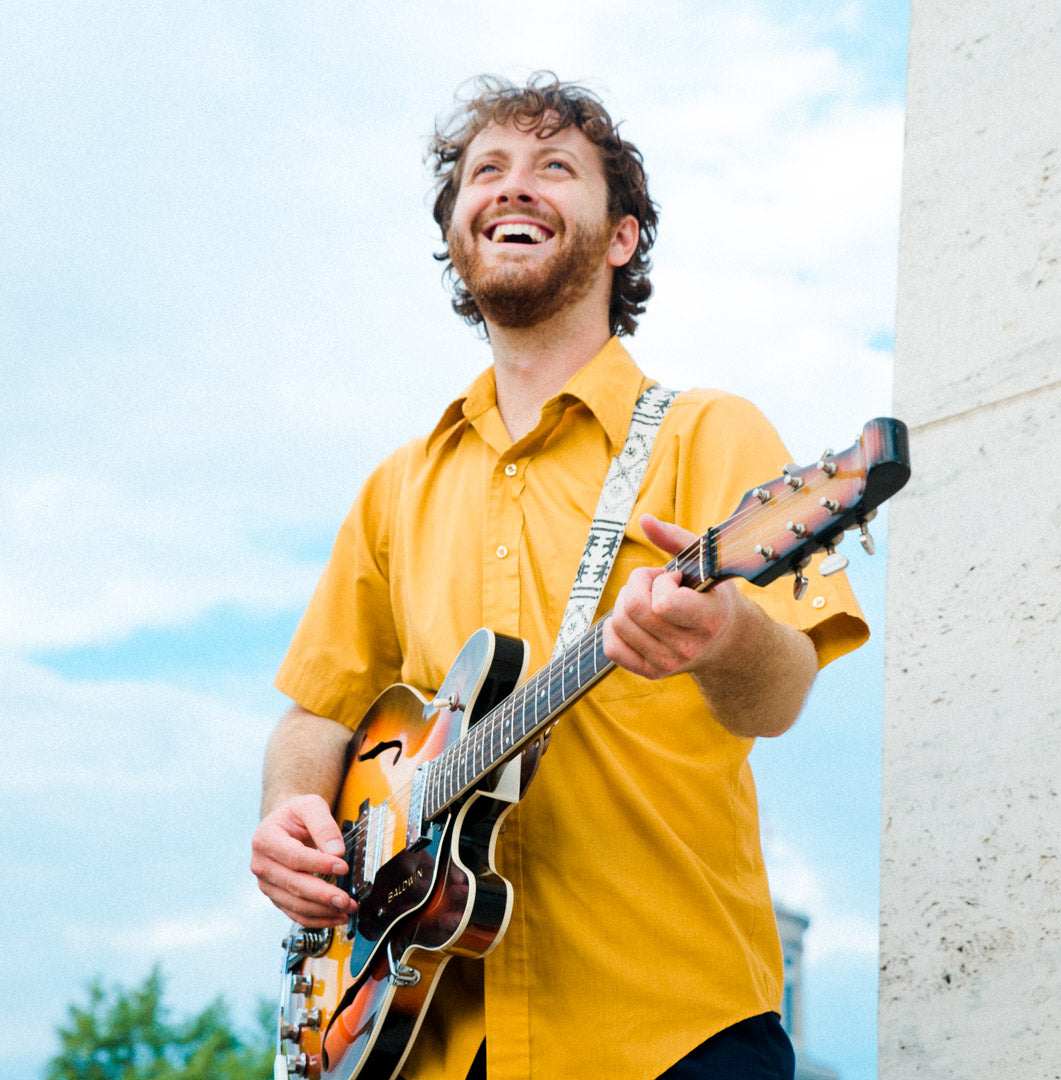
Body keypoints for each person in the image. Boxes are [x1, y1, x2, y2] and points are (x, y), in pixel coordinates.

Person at [250, 72, 868, 1080]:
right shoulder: (393, 489)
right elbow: (317, 718)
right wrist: (289, 814)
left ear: (621, 237)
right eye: (484, 171)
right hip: (424, 1040)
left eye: (554, 168)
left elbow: (784, 689)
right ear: (456, 231)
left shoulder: (714, 432)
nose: (512, 187)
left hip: (674, 1027)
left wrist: (724, 636)